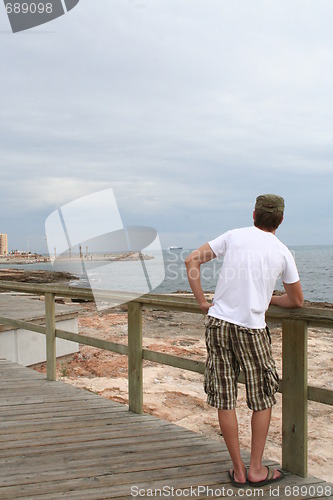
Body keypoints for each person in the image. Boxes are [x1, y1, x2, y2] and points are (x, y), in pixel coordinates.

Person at [185, 194, 303, 488]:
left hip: (219, 325)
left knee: (225, 397)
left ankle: (238, 471)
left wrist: (202, 302)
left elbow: (191, 259)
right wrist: (269, 299)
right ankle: (256, 469)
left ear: (254, 214)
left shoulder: (234, 236)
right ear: (281, 221)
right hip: (251, 328)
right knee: (262, 397)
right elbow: (297, 301)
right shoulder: (282, 252)